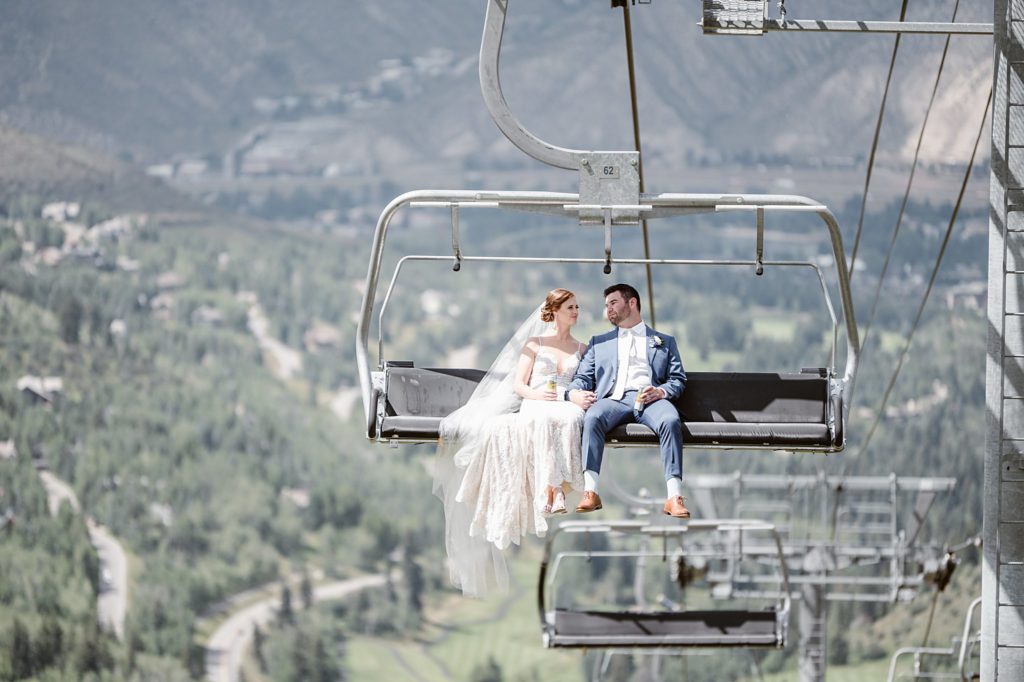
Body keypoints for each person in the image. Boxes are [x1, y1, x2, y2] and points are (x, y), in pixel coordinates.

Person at [433, 288, 586, 597]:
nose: (576, 311)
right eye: (570, 307)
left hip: (564, 401)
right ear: (554, 310)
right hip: (537, 400)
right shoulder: (534, 344)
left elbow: (582, 382)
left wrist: (572, 397)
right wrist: (536, 394)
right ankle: (550, 489)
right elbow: (519, 383)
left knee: (571, 419)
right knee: (542, 419)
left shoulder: (581, 348)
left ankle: (561, 487)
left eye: (577, 307)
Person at [567, 283, 691, 518]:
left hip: (651, 400)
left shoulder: (664, 341)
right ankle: (590, 491)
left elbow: (677, 379)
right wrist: (573, 394)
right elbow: (582, 378)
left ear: (631, 303)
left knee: (671, 420)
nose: (608, 310)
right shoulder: (599, 342)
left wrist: (661, 392)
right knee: (593, 417)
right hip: (613, 400)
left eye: (613, 303)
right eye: (606, 305)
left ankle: (674, 497)